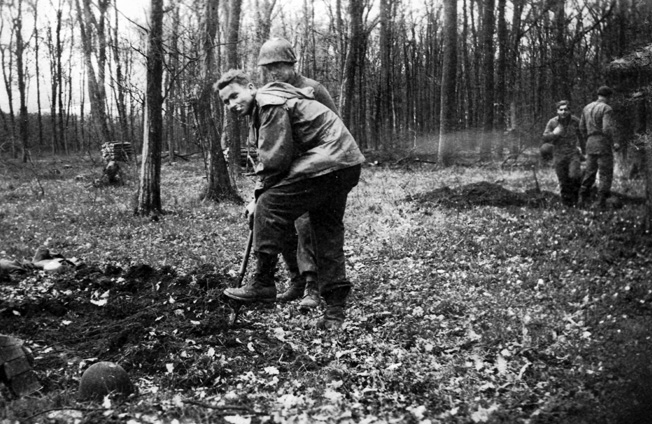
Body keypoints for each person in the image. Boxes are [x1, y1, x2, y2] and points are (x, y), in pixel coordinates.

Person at [216, 70, 365, 329]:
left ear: (251, 88)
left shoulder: (270, 103)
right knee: (326, 230)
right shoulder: (271, 103)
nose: (231, 105)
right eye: (226, 102)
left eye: (234, 96)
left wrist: (257, 197)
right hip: (345, 163)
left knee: (269, 205)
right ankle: (334, 312)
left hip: (328, 162)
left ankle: (262, 282)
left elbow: (276, 161)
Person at [254, 37, 340, 309]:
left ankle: (313, 287)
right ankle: (296, 279)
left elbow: (335, 131)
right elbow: (265, 142)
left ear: (292, 63)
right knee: (279, 224)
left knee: (307, 227)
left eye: (279, 65)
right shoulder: (268, 94)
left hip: (316, 172)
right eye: (269, 68)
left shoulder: (314, 89)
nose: (274, 72)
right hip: (285, 172)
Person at [578, 86, 619, 208]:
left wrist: (589, 138)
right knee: (605, 173)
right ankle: (601, 202)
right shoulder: (607, 108)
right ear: (608, 96)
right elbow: (607, 129)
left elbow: (581, 127)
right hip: (603, 144)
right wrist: (613, 143)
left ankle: (581, 199)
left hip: (590, 143)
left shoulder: (586, 108)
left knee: (589, 173)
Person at [542, 100, 585, 206]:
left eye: (566, 109)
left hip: (572, 154)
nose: (563, 112)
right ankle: (567, 205)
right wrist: (554, 133)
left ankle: (576, 201)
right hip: (558, 154)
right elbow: (544, 138)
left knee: (574, 176)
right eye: (561, 110)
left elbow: (583, 136)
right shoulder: (552, 122)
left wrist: (584, 151)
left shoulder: (575, 121)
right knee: (563, 180)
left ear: (569, 110)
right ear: (557, 111)